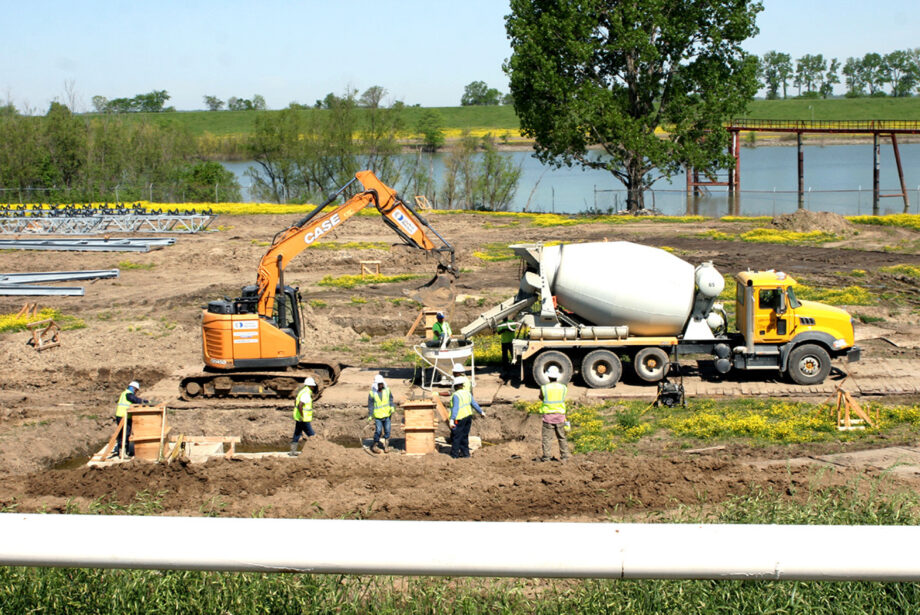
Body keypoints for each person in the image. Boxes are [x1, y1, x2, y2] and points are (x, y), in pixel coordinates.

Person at [538, 366, 570, 462]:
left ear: (548, 376)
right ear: (557, 376)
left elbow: (541, 397)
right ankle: (564, 457)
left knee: (547, 438)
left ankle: (546, 457)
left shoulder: (544, 388)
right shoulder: (563, 388)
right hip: (560, 416)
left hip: (548, 417)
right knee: (562, 437)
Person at [449, 376, 485, 458]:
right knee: (464, 436)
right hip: (468, 417)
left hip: (459, 418)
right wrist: (481, 412)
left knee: (456, 437)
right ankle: (466, 454)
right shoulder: (467, 393)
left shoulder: (456, 395)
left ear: (456, 386)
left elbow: (455, 408)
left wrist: (452, 419)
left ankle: (454, 455)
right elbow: (474, 404)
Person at [111, 380, 149, 458]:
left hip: (125, 416)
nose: (136, 392)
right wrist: (144, 402)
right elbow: (135, 399)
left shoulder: (126, 394)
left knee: (126, 433)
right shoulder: (128, 394)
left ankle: (126, 450)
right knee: (124, 434)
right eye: (136, 390)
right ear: (133, 388)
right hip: (123, 416)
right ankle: (122, 452)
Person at [290, 377, 317, 456]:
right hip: (303, 419)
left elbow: (295, 401)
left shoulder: (302, 391)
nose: (314, 387)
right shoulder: (306, 394)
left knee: (297, 434)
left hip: (299, 417)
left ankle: (292, 451)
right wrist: (302, 415)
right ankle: (317, 450)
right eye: (313, 386)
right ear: (310, 386)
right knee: (311, 435)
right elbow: (300, 405)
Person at [367, 374, 394, 453]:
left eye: (381, 384)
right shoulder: (372, 393)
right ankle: (375, 445)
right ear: (376, 384)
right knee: (378, 431)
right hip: (378, 416)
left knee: (387, 430)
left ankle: (386, 446)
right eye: (379, 384)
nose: (380, 385)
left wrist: (392, 406)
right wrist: (370, 415)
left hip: (387, 415)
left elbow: (391, 399)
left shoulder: (387, 390)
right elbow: (371, 405)